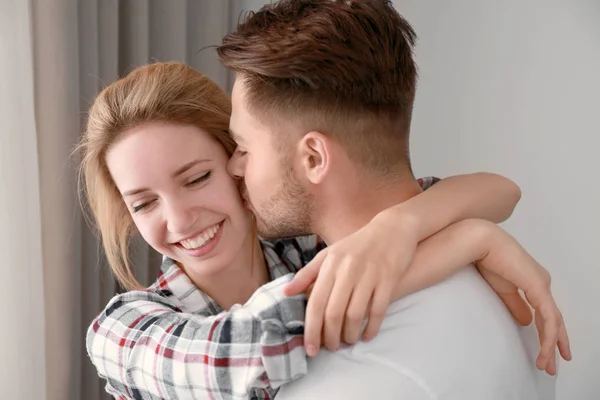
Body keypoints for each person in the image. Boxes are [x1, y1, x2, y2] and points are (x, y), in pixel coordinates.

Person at [80, 63, 568, 400]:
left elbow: (497, 191)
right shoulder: (123, 330)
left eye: (196, 178)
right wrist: (465, 241)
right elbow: (248, 351)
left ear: (238, 162)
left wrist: (401, 226)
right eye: (144, 203)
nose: (180, 220)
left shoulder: (304, 243)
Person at [215, 1, 571, 399]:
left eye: (244, 148)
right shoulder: (506, 287)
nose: (233, 167)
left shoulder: (341, 379)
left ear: (313, 158)